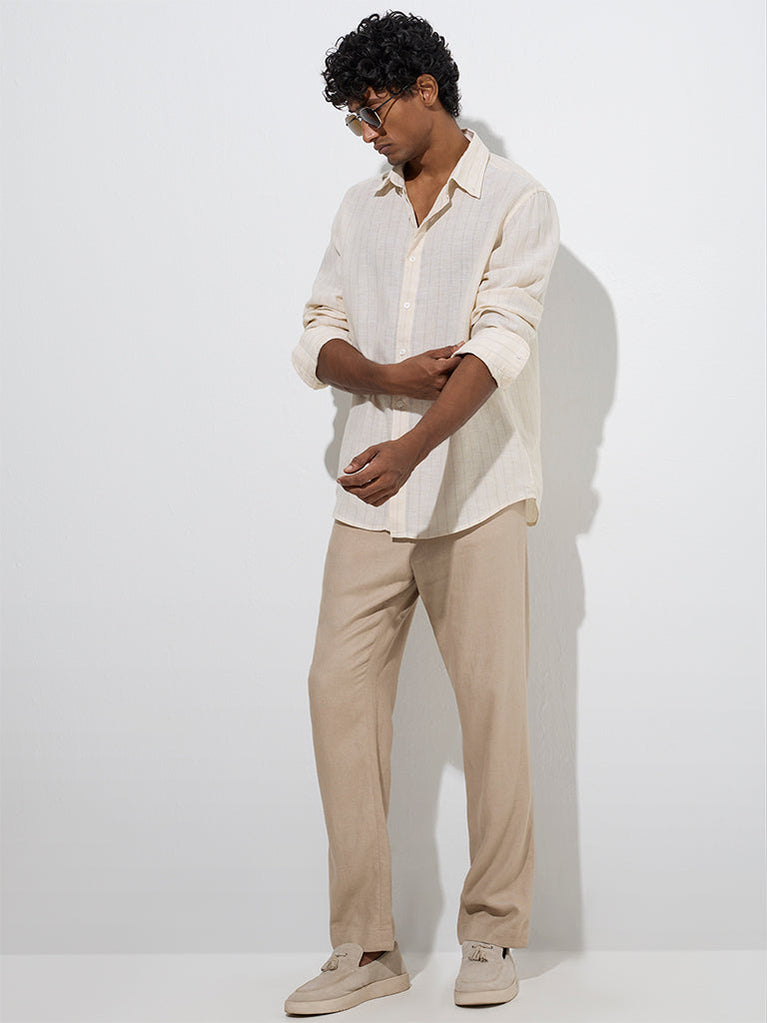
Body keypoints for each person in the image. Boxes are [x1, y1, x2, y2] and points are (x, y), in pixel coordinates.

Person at [283, 11, 560, 1015]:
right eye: (353, 120)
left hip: (473, 491)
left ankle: (491, 932)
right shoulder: (358, 209)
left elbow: (500, 343)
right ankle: (365, 948)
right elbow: (316, 334)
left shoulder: (517, 201)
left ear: (425, 91)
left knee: (492, 714)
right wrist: (387, 378)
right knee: (336, 697)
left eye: (373, 113)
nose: (366, 134)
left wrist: (413, 446)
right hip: (369, 501)